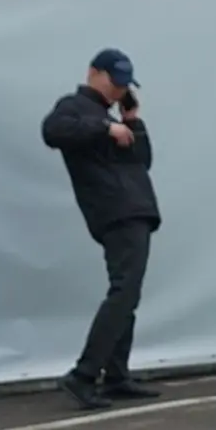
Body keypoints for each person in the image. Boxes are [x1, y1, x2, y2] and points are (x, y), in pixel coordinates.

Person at [41, 48, 163, 410]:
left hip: (132, 209)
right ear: (94, 72)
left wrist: (133, 121)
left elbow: (143, 162)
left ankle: (116, 375)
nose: (117, 91)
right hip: (116, 211)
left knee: (128, 293)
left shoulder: (115, 120)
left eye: (124, 85)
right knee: (124, 291)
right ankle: (83, 374)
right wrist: (106, 127)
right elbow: (52, 130)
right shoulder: (75, 108)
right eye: (115, 82)